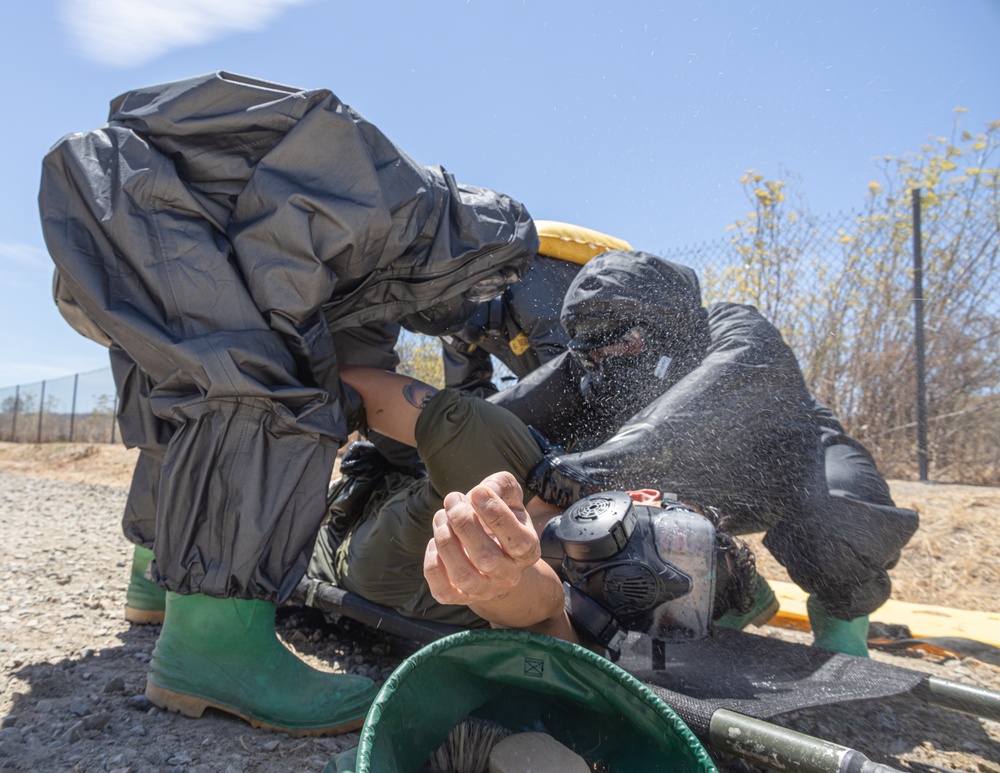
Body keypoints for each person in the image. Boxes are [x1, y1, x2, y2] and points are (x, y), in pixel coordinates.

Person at [39, 71, 537, 735]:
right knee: (264, 382)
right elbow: (281, 268)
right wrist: (303, 392)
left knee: (194, 384)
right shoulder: (405, 205)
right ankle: (214, 645)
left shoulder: (375, 274)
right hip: (129, 203)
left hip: (111, 219)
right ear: (475, 260)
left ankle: (157, 581)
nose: (465, 318)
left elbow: (362, 367)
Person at [492, 250, 921, 657]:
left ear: (668, 324)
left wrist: (597, 466)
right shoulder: (592, 365)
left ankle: (841, 622)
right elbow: (502, 416)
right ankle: (738, 593)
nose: (605, 360)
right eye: (592, 351)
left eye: (625, 343)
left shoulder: (733, 328)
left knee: (839, 525)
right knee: (615, 521)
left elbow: (704, 397)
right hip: (708, 492)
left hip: (794, 472)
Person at [306, 366, 757, 650]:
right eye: (679, 544)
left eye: (675, 609)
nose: (649, 580)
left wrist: (503, 581)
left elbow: (536, 606)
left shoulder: (570, 624)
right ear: (642, 499)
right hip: (311, 511)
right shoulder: (498, 454)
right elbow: (349, 390)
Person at [402, 220, 631, 396]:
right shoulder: (450, 327)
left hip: (621, 369)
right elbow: (467, 391)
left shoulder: (527, 286)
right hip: (569, 382)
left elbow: (568, 378)